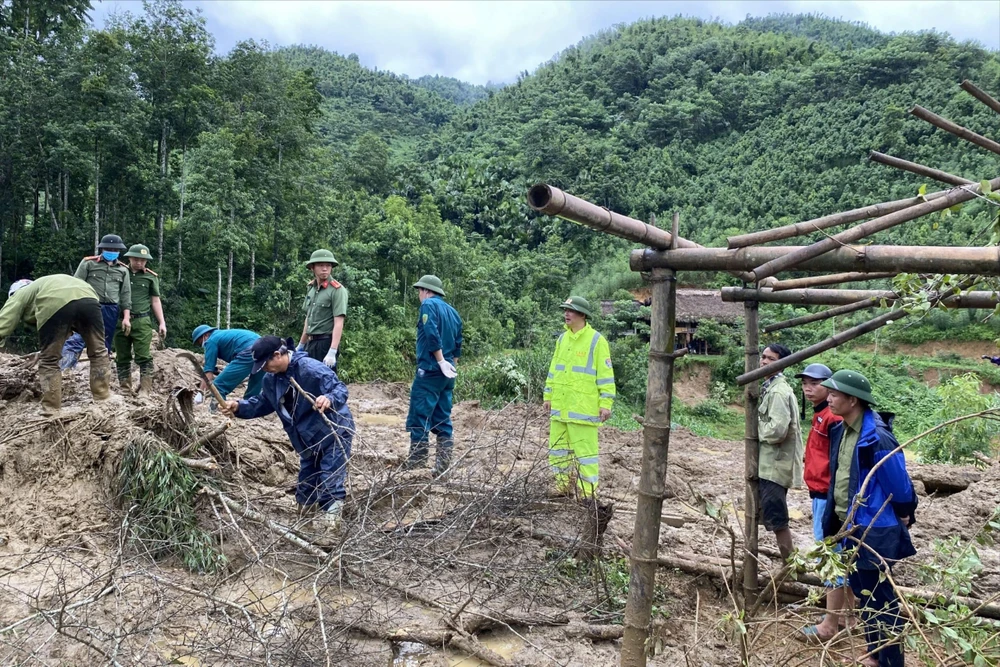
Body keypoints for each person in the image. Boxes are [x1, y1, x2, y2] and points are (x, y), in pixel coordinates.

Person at [821, 370, 916, 667]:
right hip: (849, 525)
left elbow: (899, 484)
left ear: (853, 400)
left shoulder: (877, 437)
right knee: (864, 592)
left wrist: (905, 511)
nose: (829, 399)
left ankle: (891, 661)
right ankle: (875, 653)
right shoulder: (842, 430)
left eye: (835, 394)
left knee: (880, 598)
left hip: (874, 528)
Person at [220, 336, 354, 533]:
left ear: (277, 355)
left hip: (334, 431)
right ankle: (304, 526)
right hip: (306, 438)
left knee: (330, 479)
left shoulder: (310, 369)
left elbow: (339, 388)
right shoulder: (271, 379)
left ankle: (331, 530)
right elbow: (263, 403)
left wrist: (329, 398)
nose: (265, 369)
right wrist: (239, 407)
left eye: (265, 364)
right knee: (306, 482)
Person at [794, 363, 854, 642]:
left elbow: (840, 462)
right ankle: (846, 617)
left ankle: (830, 625)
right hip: (820, 493)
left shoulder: (833, 418)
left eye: (815, 383)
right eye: (805, 383)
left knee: (830, 556)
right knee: (841, 555)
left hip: (828, 496)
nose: (808, 388)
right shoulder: (821, 414)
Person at [0, 276, 111, 414]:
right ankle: (103, 400)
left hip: (55, 301)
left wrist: (47, 353)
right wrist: (42, 351)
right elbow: (66, 329)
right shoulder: (44, 285)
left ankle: (51, 409)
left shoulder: (20, 294)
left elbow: (3, 323)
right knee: (98, 352)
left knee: (49, 361)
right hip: (89, 297)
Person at [543, 296, 616, 499]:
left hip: (582, 409)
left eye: (571, 310)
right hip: (560, 407)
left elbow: (606, 376)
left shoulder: (596, 341)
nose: (566, 314)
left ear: (582, 315)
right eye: (565, 310)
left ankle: (587, 494)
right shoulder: (562, 339)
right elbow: (554, 370)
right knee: (558, 451)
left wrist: (606, 403)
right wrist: (548, 396)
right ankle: (562, 486)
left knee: (586, 455)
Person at [403, 275, 463, 476]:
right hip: (447, 374)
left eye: (419, 291)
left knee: (419, 416)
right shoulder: (453, 312)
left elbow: (431, 333)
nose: (419, 295)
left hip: (430, 369)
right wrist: (450, 366)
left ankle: (417, 466)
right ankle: (442, 467)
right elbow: (458, 344)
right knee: (442, 418)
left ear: (426, 291)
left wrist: (439, 360)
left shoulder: (428, 305)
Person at [757, 343, 803, 561]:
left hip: (774, 466)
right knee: (771, 513)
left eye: (771, 359)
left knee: (777, 518)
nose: (764, 362)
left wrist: (755, 428)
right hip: (770, 465)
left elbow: (777, 431)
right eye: (763, 357)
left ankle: (790, 564)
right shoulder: (771, 387)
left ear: (782, 364)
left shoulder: (777, 392)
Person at [60, 234, 132, 371]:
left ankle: (100, 375)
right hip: (90, 306)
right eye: (108, 249)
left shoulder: (123, 270)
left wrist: (126, 317)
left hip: (111, 309)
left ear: (119, 251)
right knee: (78, 338)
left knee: (103, 344)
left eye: (115, 250)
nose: (112, 252)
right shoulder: (89, 263)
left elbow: (125, 294)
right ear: (102, 249)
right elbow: (76, 285)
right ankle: (63, 369)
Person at [114, 244, 166, 394]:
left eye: (143, 260)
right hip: (120, 320)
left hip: (142, 321)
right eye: (136, 259)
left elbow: (155, 301)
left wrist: (162, 322)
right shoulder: (120, 272)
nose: (139, 263)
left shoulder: (150, 277)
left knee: (144, 356)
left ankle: (145, 391)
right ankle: (125, 390)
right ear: (129, 258)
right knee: (122, 357)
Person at [297, 249, 348, 371]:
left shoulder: (337, 290)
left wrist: (332, 351)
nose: (325, 269)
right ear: (312, 268)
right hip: (311, 343)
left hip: (325, 343)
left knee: (325, 380)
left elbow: (339, 322)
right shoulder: (312, 289)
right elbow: (308, 319)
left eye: (328, 265)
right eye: (321, 265)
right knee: (307, 378)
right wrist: (301, 344)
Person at [191, 325, 263, 401]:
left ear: (205, 335)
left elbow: (208, 371)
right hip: (264, 350)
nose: (201, 345)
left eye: (199, 342)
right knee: (255, 387)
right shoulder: (222, 335)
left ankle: (216, 407)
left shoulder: (211, 340)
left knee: (218, 386)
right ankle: (250, 406)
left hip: (248, 352)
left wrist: (201, 393)